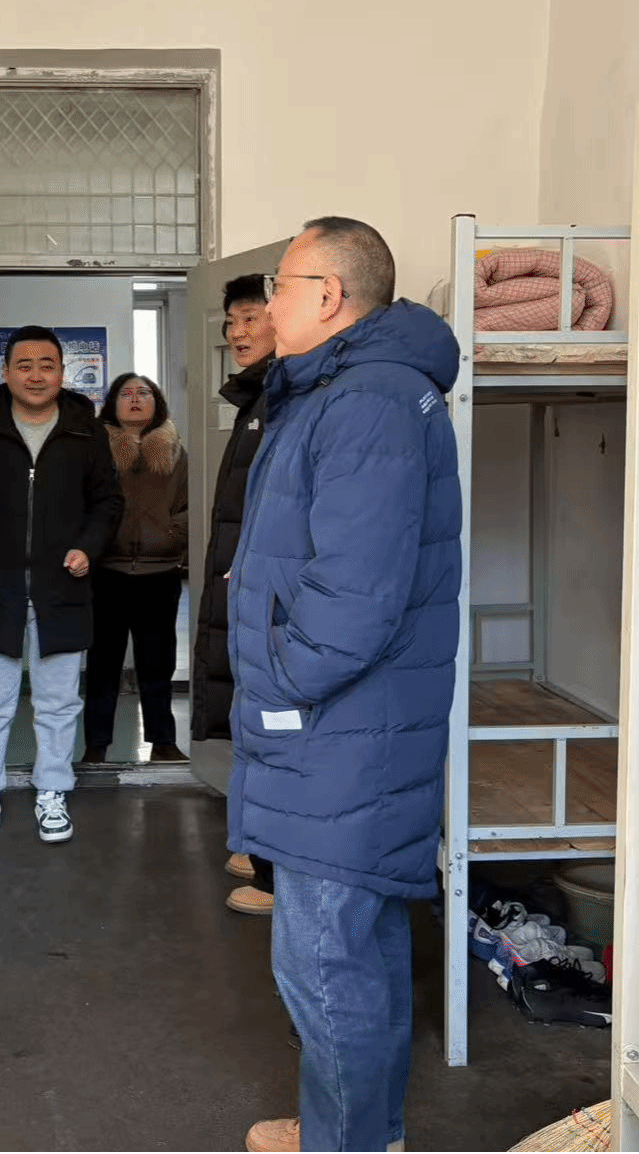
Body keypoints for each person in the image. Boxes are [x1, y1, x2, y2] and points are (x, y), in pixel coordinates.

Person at [231, 219, 462, 1154]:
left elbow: (354, 598)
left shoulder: (366, 400)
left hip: (338, 729)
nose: (266, 304)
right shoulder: (347, 389)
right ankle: (356, 1128)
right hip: (348, 729)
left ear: (329, 296)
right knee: (356, 948)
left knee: (327, 962)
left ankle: (349, 1141)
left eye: (280, 285)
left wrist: (282, 685)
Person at [0, 326, 123, 848]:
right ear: (6, 372)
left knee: (58, 704)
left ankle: (52, 790)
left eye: (47, 365)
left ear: (63, 373)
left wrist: (88, 546)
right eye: (24, 365)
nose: (36, 375)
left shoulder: (86, 432)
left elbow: (108, 502)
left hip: (62, 589)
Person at [189, 274, 280, 916]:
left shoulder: (289, 394)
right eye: (231, 322)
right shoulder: (258, 396)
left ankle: (275, 872)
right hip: (245, 585)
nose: (237, 333)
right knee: (250, 724)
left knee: (271, 730)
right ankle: (256, 844)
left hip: (266, 594)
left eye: (251, 318)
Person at [82, 372, 189, 764]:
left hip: (160, 572)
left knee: (157, 663)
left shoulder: (175, 452)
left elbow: (190, 504)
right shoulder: (95, 450)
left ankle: (163, 742)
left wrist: (173, 534)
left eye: (144, 393)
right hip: (106, 572)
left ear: (156, 402)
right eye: (126, 393)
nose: (135, 399)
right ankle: (96, 747)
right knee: (103, 664)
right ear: (113, 404)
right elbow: (82, 503)